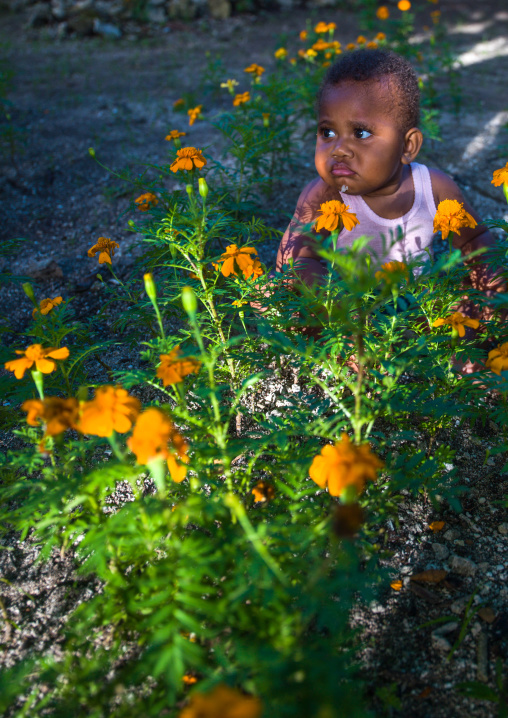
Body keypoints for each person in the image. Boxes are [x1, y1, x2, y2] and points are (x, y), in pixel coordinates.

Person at [276, 49, 500, 302]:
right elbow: (297, 257)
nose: (338, 149)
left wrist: (491, 282)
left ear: (407, 146)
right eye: (327, 132)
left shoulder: (434, 188)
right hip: (350, 311)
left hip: (415, 307)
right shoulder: (324, 195)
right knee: (294, 311)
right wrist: (332, 304)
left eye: (360, 133)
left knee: (480, 310)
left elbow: (476, 237)